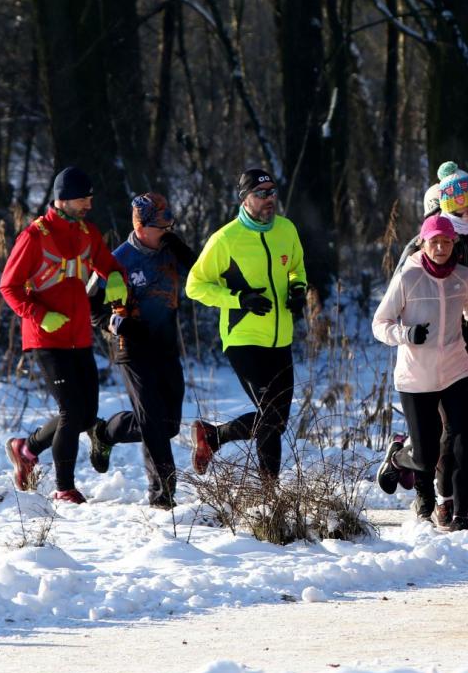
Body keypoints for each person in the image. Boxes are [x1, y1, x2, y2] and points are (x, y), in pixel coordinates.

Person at [383, 162, 468, 522]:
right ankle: (436, 496)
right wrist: (407, 335)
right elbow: (394, 305)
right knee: (448, 433)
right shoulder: (419, 251)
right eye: (465, 207)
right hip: (434, 349)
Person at [0, 167, 127, 504]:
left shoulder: (88, 232)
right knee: (72, 412)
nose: (89, 203)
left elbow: (107, 264)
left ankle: (26, 448)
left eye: (90, 197)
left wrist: (114, 277)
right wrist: (39, 314)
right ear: (64, 199)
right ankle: (64, 488)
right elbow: (8, 287)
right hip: (46, 338)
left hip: (79, 336)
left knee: (86, 414)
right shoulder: (34, 236)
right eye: (83, 198)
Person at [185, 169, 307, 481]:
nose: (269, 199)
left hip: (280, 338)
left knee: (276, 421)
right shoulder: (225, 239)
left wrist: (297, 289)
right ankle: (269, 496)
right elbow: (195, 286)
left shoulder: (286, 229)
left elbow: (296, 268)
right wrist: (239, 299)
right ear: (245, 199)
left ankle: (213, 437)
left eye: (272, 192)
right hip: (243, 337)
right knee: (270, 416)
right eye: (261, 194)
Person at [86, 192, 198, 509]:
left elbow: (204, 274)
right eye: (161, 224)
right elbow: (89, 305)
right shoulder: (117, 260)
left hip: (166, 347)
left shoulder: (171, 250)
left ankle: (105, 432)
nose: (168, 229)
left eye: (169, 222)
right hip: (133, 349)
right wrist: (115, 324)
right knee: (152, 422)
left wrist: (188, 253)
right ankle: (162, 497)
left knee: (169, 425)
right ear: (141, 226)